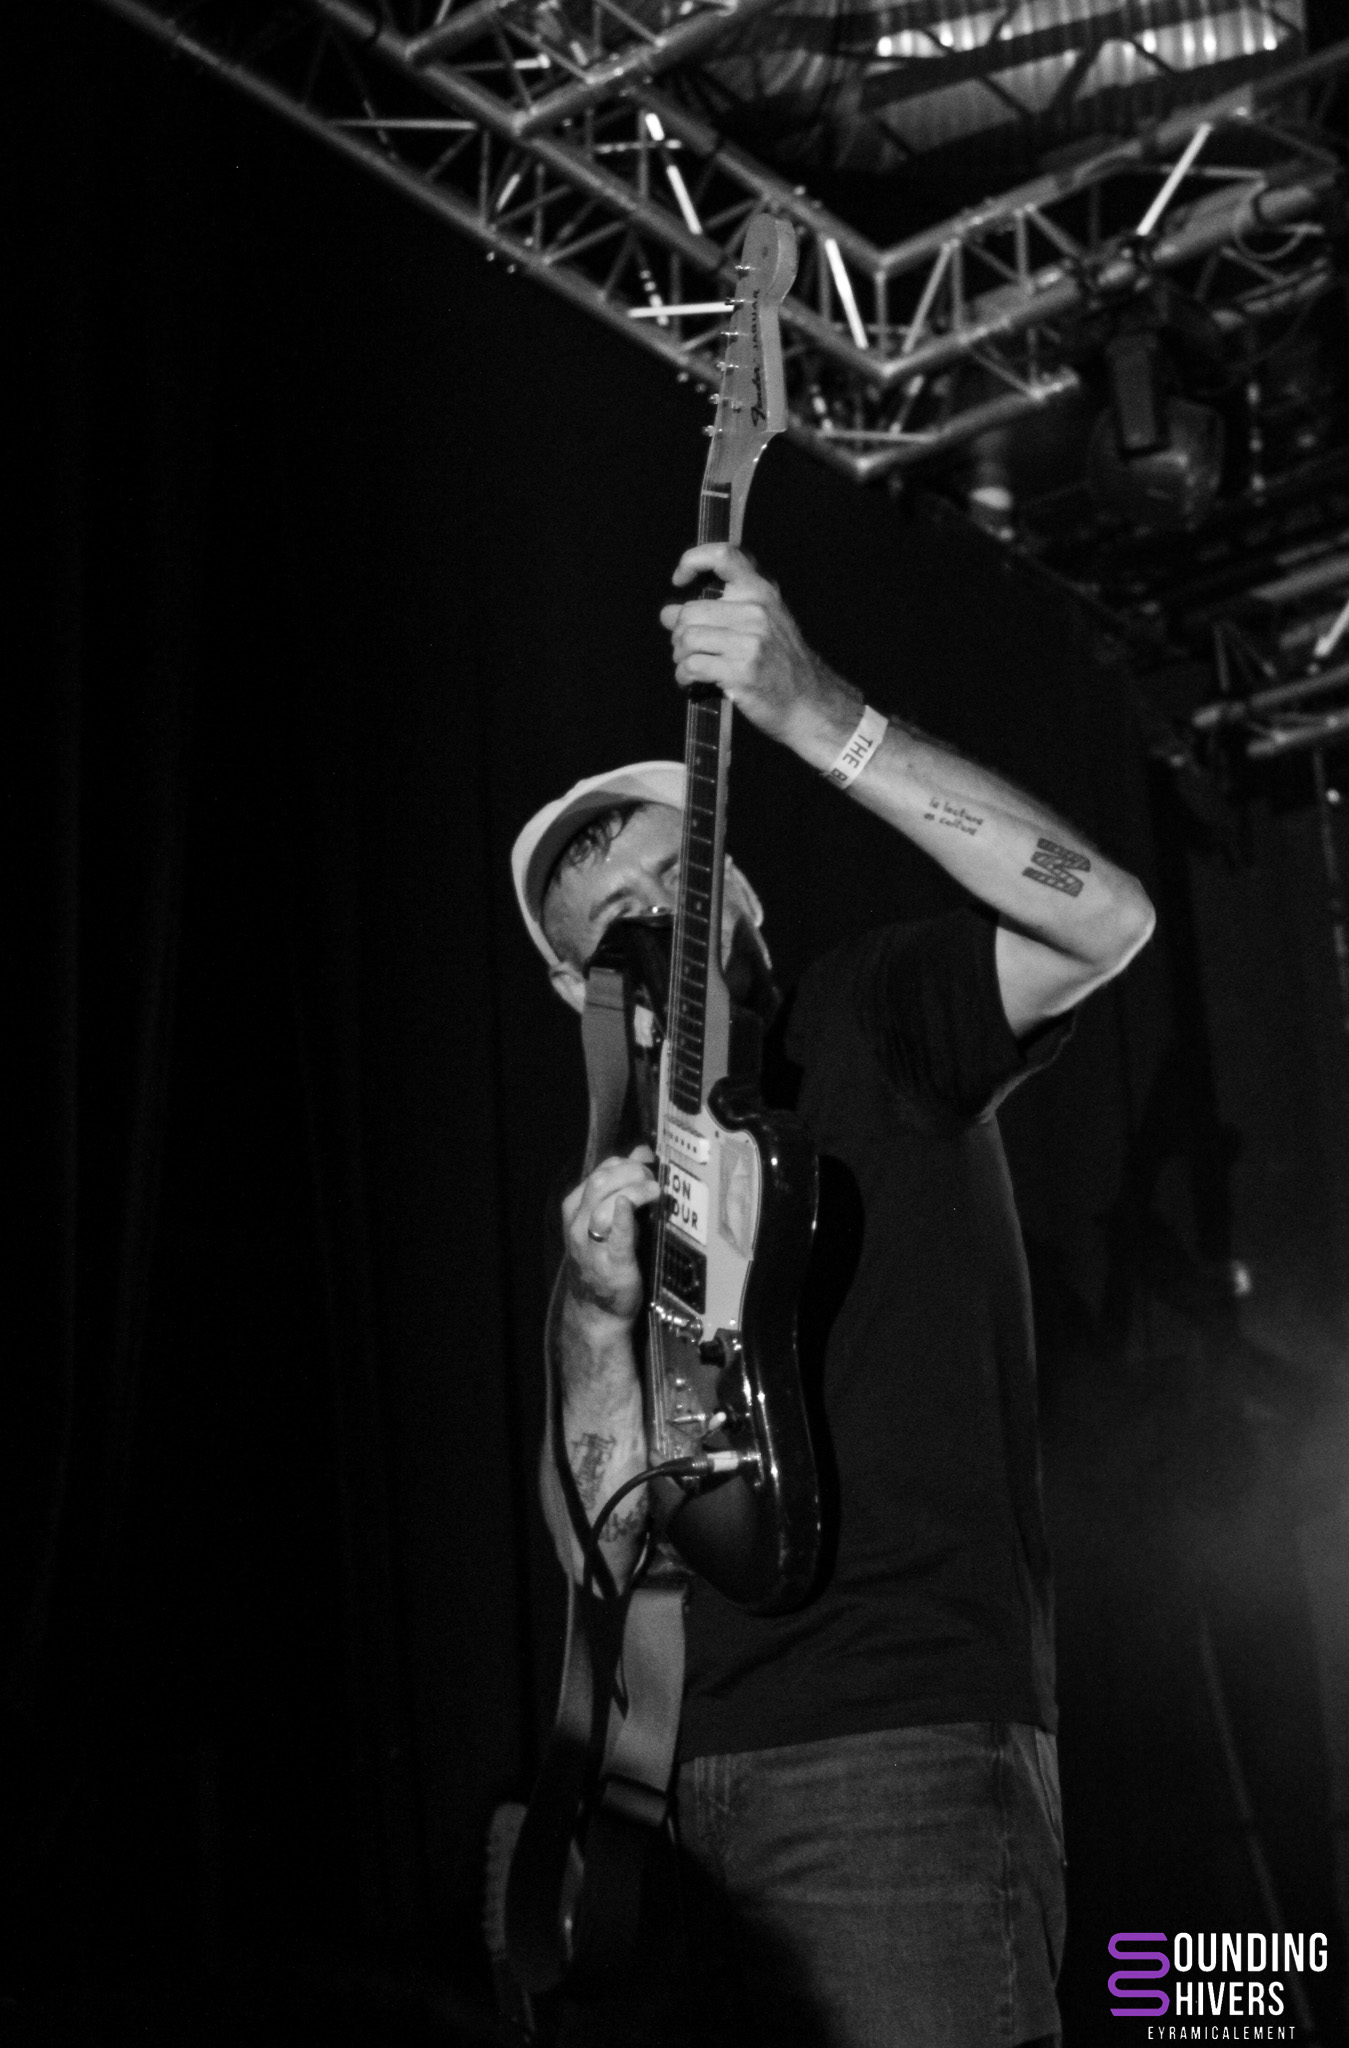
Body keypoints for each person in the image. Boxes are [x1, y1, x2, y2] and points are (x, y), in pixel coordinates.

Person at [510, 543, 1155, 2048]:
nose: (654, 926)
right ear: (572, 993)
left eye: (676, 880)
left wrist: (815, 715)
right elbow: (606, 1538)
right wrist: (595, 1317)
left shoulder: (872, 1016)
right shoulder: (610, 1193)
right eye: (610, 925)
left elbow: (1101, 918)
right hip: (676, 1804)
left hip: (892, 1748)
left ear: (737, 888)